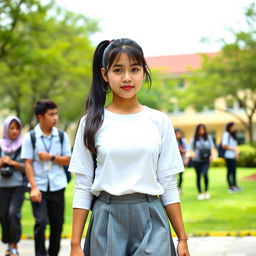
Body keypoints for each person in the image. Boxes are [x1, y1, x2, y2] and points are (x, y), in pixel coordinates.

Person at [69, 38, 190, 256]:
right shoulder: (91, 122)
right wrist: (75, 244)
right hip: (106, 219)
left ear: (144, 72)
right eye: (118, 70)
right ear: (105, 74)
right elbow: (83, 185)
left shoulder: (159, 121)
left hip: (152, 218)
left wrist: (182, 238)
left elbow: (168, 183)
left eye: (134, 69)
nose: (127, 78)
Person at [21, 100, 71, 256]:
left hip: (57, 186)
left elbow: (69, 160)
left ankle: (53, 254)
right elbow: (28, 163)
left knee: (57, 224)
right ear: (40, 117)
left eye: (56, 113)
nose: (56, 117)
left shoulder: (61, 136)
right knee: (41, 223)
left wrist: (51, 157)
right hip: (39, 188)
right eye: (51, 114)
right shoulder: (31, 137)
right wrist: (33, 187)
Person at [0, 116, 26, 256]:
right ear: (6, 129)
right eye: (11, 128)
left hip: (18, 185)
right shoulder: (0, 145)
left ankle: (14, 245)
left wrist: (12, 163)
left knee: (13, 214)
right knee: (3, 215)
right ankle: (9, 245)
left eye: (17, 128)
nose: (14, 131)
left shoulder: (24, 145)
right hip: (2, 186)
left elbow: (27, 167)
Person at [189, 124, 215, 200]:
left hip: (205, 160)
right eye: (200, 129)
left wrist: (212, 156)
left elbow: (212, 147)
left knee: (205, 174)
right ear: (197, 130)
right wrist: (192, 153)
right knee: (198, 176)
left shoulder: (208, 138)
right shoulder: (194, 138)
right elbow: (190, 148)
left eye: (203, 129)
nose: (201, 131)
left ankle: (206, 191)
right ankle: (200, 193)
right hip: (196, 160)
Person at [222, 122, 241, 193]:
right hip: (228, 156)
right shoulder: (226, 134)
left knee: (234, 171)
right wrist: (234, 149)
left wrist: (236, 153)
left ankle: (235, 185)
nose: (235, 128)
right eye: (234, 126)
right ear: (230, 127)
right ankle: (230, 186)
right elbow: (224, 145)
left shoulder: (233, 135)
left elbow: (235, 145)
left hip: (233, 156)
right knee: (230, 171)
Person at [175, 128, 188, 194]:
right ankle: (175, 188)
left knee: (180, 176)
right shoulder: (172, 141)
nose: (178, 135)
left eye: (179, 133)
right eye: (177, 133)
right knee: (174, 176)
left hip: (181, 161)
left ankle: (179, 188)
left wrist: (182, 150)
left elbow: (187, 150)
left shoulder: (183, 141)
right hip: (173, 162)